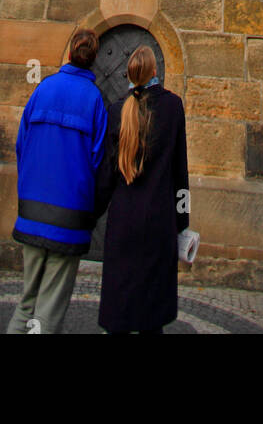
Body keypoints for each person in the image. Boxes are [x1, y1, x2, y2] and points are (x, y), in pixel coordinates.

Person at [7, 28, 107, 335]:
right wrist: (91, 209)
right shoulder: (94, 99)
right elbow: (99, 161)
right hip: (70, 216)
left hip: (33, 210)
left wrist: (28, 187)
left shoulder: (44, 88)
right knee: (49, 308)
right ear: (94, 60)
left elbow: (22, 144)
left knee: (26, 302)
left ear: (68, 54)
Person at [95, 45, 189, 335]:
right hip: (159, 219)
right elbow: (179, 172)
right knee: (152, 310)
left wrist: (90, 215)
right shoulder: (172, 107)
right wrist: (182, 223)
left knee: (119, 306)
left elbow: (107, 174)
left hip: (123, 219)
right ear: (155, 71)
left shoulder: (118, 110)